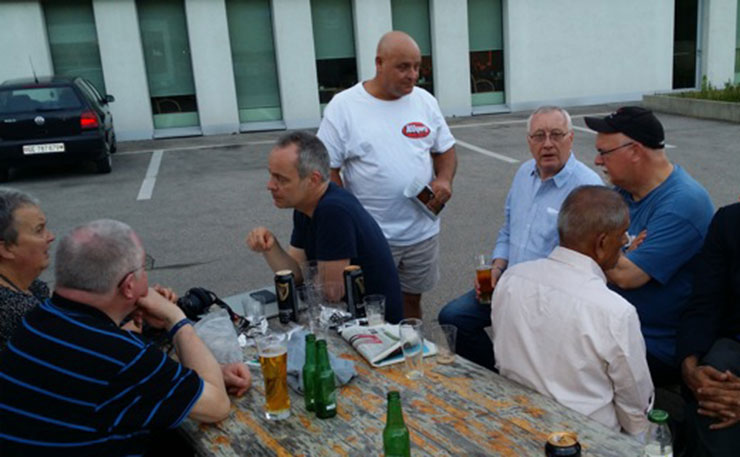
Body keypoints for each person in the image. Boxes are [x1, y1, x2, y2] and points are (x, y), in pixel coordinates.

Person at [0, 219, 231, 456]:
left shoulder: (37, 319)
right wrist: (175, 318)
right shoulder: (124, 357)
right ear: (129, 286)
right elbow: (217, 405)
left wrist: (122, 317)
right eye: (143, 270)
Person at [437, 106, 602, 370]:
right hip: (508, 280)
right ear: (529, 142)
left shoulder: (587, 188)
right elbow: (508, 228)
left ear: (570, 138)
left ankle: (515, 376)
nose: (547, 144)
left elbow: (588, 263)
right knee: (453, 317)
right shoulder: (524, 174)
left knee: (525, 351)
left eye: (556, 135)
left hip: (548, 296)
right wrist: (498, 266)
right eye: (539, 136)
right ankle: (495, 375)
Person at [491, 186, 654, 434]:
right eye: (622, 234)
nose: (625, 241)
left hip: (516, 421)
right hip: (585, 438)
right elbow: (636, 406)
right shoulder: (615, 312)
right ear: (601, 243)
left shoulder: (513, 278)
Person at [317, 31, 457, 319]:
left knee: (411, 301)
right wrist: (349, 214)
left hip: (422, 231)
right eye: (403, 67)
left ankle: (413, 353)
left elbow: (445, 150)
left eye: (417, 67)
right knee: (374, 307)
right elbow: (327, 168)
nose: (413, 75)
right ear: (379, 63)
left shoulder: (425, 102)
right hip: (373, 236)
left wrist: (443, 179)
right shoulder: (344, 107)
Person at [585, 107, 714, 386]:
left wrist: (599, 246)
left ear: (635, 151)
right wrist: (617, 252)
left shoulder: (683, 203)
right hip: (611, 327)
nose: (597, 160)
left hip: (649, 344)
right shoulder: (620, 193)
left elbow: (626, 276)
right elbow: (573, 247)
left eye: (604, 152)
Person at [246, 131, 403, 323]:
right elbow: (295, 276)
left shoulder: (333, 211)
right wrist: (270, 247)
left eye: (282, 179)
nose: (270, 185)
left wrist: (310, 280)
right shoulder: (306, 207)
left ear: (313, 179)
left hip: (377, 329)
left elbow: (330, 293)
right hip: (348, 319)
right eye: (271, 176)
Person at [677, 202, 740, 456]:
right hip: (733, 351)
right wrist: (689, 366)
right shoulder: (731, 220)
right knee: (714, 379)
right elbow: (704, 302)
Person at [0, 188, 55, 350]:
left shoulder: (29, 284)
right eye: (39, 230)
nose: (50, 237)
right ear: (6, 249)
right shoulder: (12, 309)